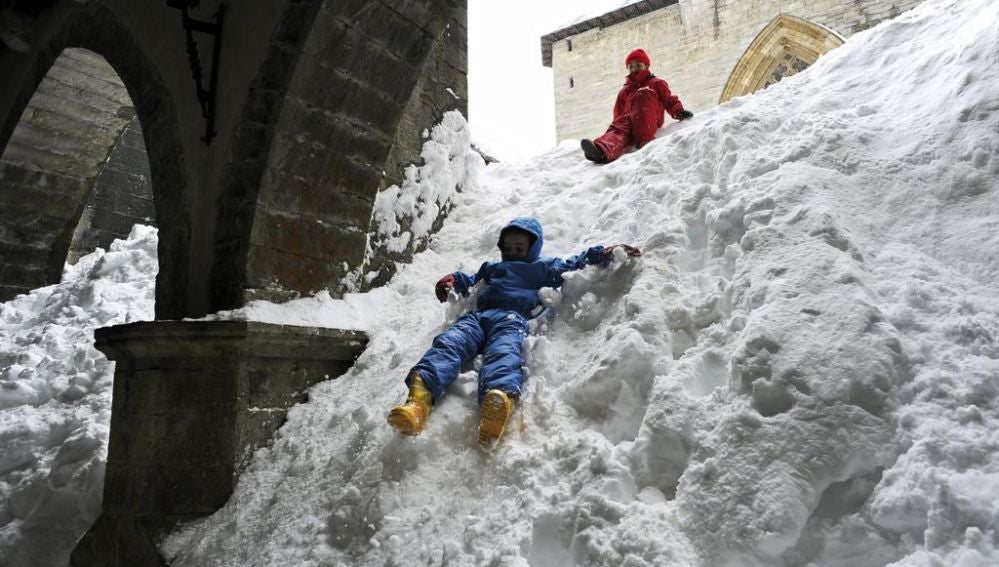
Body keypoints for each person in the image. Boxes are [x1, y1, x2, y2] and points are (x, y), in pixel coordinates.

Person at [387, 217, 641, 447]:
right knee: (448, 343)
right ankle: (417, 403)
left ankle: (498, 403)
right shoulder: (492, 267)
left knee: (504, 352)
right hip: (478, 318)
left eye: (520, 248)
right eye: (508, 248)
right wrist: (452, 281)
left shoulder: (543, 267)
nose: (513, 252)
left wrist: (605, 253)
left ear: (533, 247)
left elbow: (575, 263)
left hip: (512, 319)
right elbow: (471, 279)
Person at [581, 48, 693, 164]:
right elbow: (618, 114)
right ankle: (601, 151)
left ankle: (644, 140)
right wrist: (617, 128)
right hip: (629, 123)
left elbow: (669, 99)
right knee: (620, 126)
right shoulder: (624, 91)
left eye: (638, 65)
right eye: (631, 67)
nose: (634, 69)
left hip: (650, 117)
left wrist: (678, 111)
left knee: (642, 93)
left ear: (646, 66)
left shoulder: (656, 83)